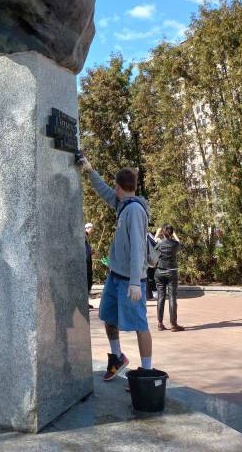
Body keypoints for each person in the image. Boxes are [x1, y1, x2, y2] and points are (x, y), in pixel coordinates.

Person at [78, 156, 153, 381]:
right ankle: (118, 357)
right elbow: (103, 191)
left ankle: (147, 372)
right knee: (109, 317)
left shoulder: (135, 210)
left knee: (140, 325)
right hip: (115, 276)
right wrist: (90, 170)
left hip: (131, 280)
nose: (113, 190)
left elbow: (138, 248)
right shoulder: (122, 204)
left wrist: (135, 282)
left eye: (115, 187)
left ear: (119, 186)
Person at [154, 225, 184, 332]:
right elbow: (181, 245)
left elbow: (153, 246)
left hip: (159, 272)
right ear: (171, 233)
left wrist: (157, 234)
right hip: (171, 272)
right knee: (172, 297)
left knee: (160, 297)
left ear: (163, 233)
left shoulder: (159, 243)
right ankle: (173, 324)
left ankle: (160, 323)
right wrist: (175, 235)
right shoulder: (175, 244)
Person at [84, 223, 94, 308]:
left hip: (88, 263)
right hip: (86, 264)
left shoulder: (86, 237)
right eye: (92, 228)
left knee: (89, 282)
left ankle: (86, 302)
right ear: (88, 228)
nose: (93, 230)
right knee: (87, 283)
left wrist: (91, 252)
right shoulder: (83, 236)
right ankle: (84, 303)